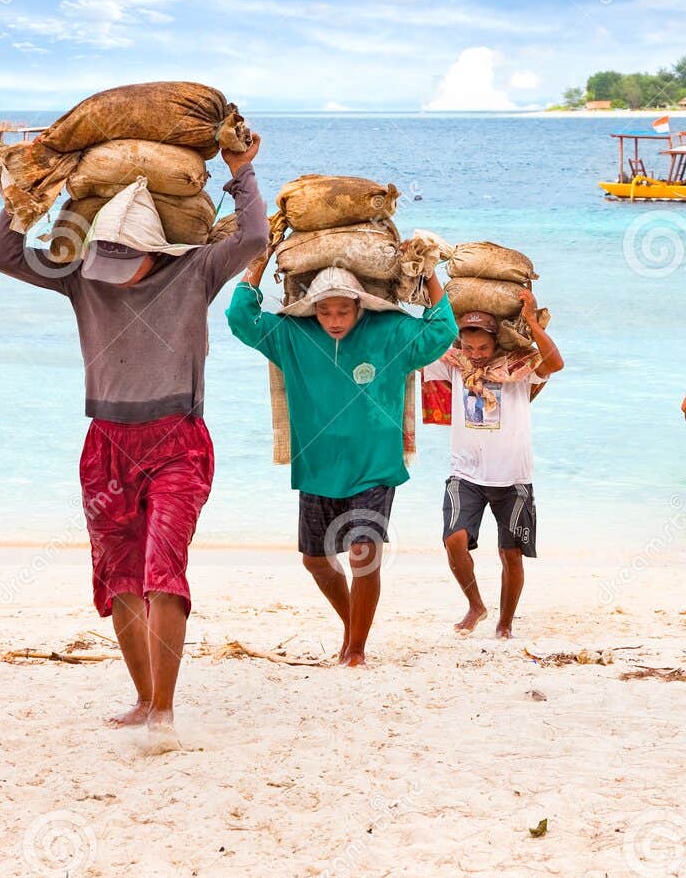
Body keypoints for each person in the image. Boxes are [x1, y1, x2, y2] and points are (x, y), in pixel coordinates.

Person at [0, 134, 270, 734]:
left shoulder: (195, 270)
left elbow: (252, 239)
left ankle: (164, 711)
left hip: (178, 442)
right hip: (106, 445)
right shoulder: (81, 277)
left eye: (127, 262)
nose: (113, 277)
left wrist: (241, 171)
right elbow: (5, 258)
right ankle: (143, 698)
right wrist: (19, 197)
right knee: (117, 578)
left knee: (162, 573)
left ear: (158, 249)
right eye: (105, 261)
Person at [226, 261, 457, 667]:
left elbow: (442, 331)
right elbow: (240, 319)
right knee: (315, 560)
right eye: (324, 311)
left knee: (363, 552)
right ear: (311, 309)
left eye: (343, 311)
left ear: (359, 307)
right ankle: (355, 626)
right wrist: (256, 267)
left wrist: (429, 273)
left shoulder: (390, 332)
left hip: (375, 465)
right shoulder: (292, 336)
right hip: (317, 466)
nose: (334, 321)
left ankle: (355, 649)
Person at [423, 290, 564, 639]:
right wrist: (429, 285)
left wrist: (531, 321)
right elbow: (426, 338)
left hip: (513, 475)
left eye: (483, 349)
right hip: (465, 472)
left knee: (510, 555)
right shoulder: (454, 364)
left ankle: (505, 623)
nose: (476, 356)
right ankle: (476, 605)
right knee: (454, 540)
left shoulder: (518, 368)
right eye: (469, 348)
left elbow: (555, 363)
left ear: (496, 345)